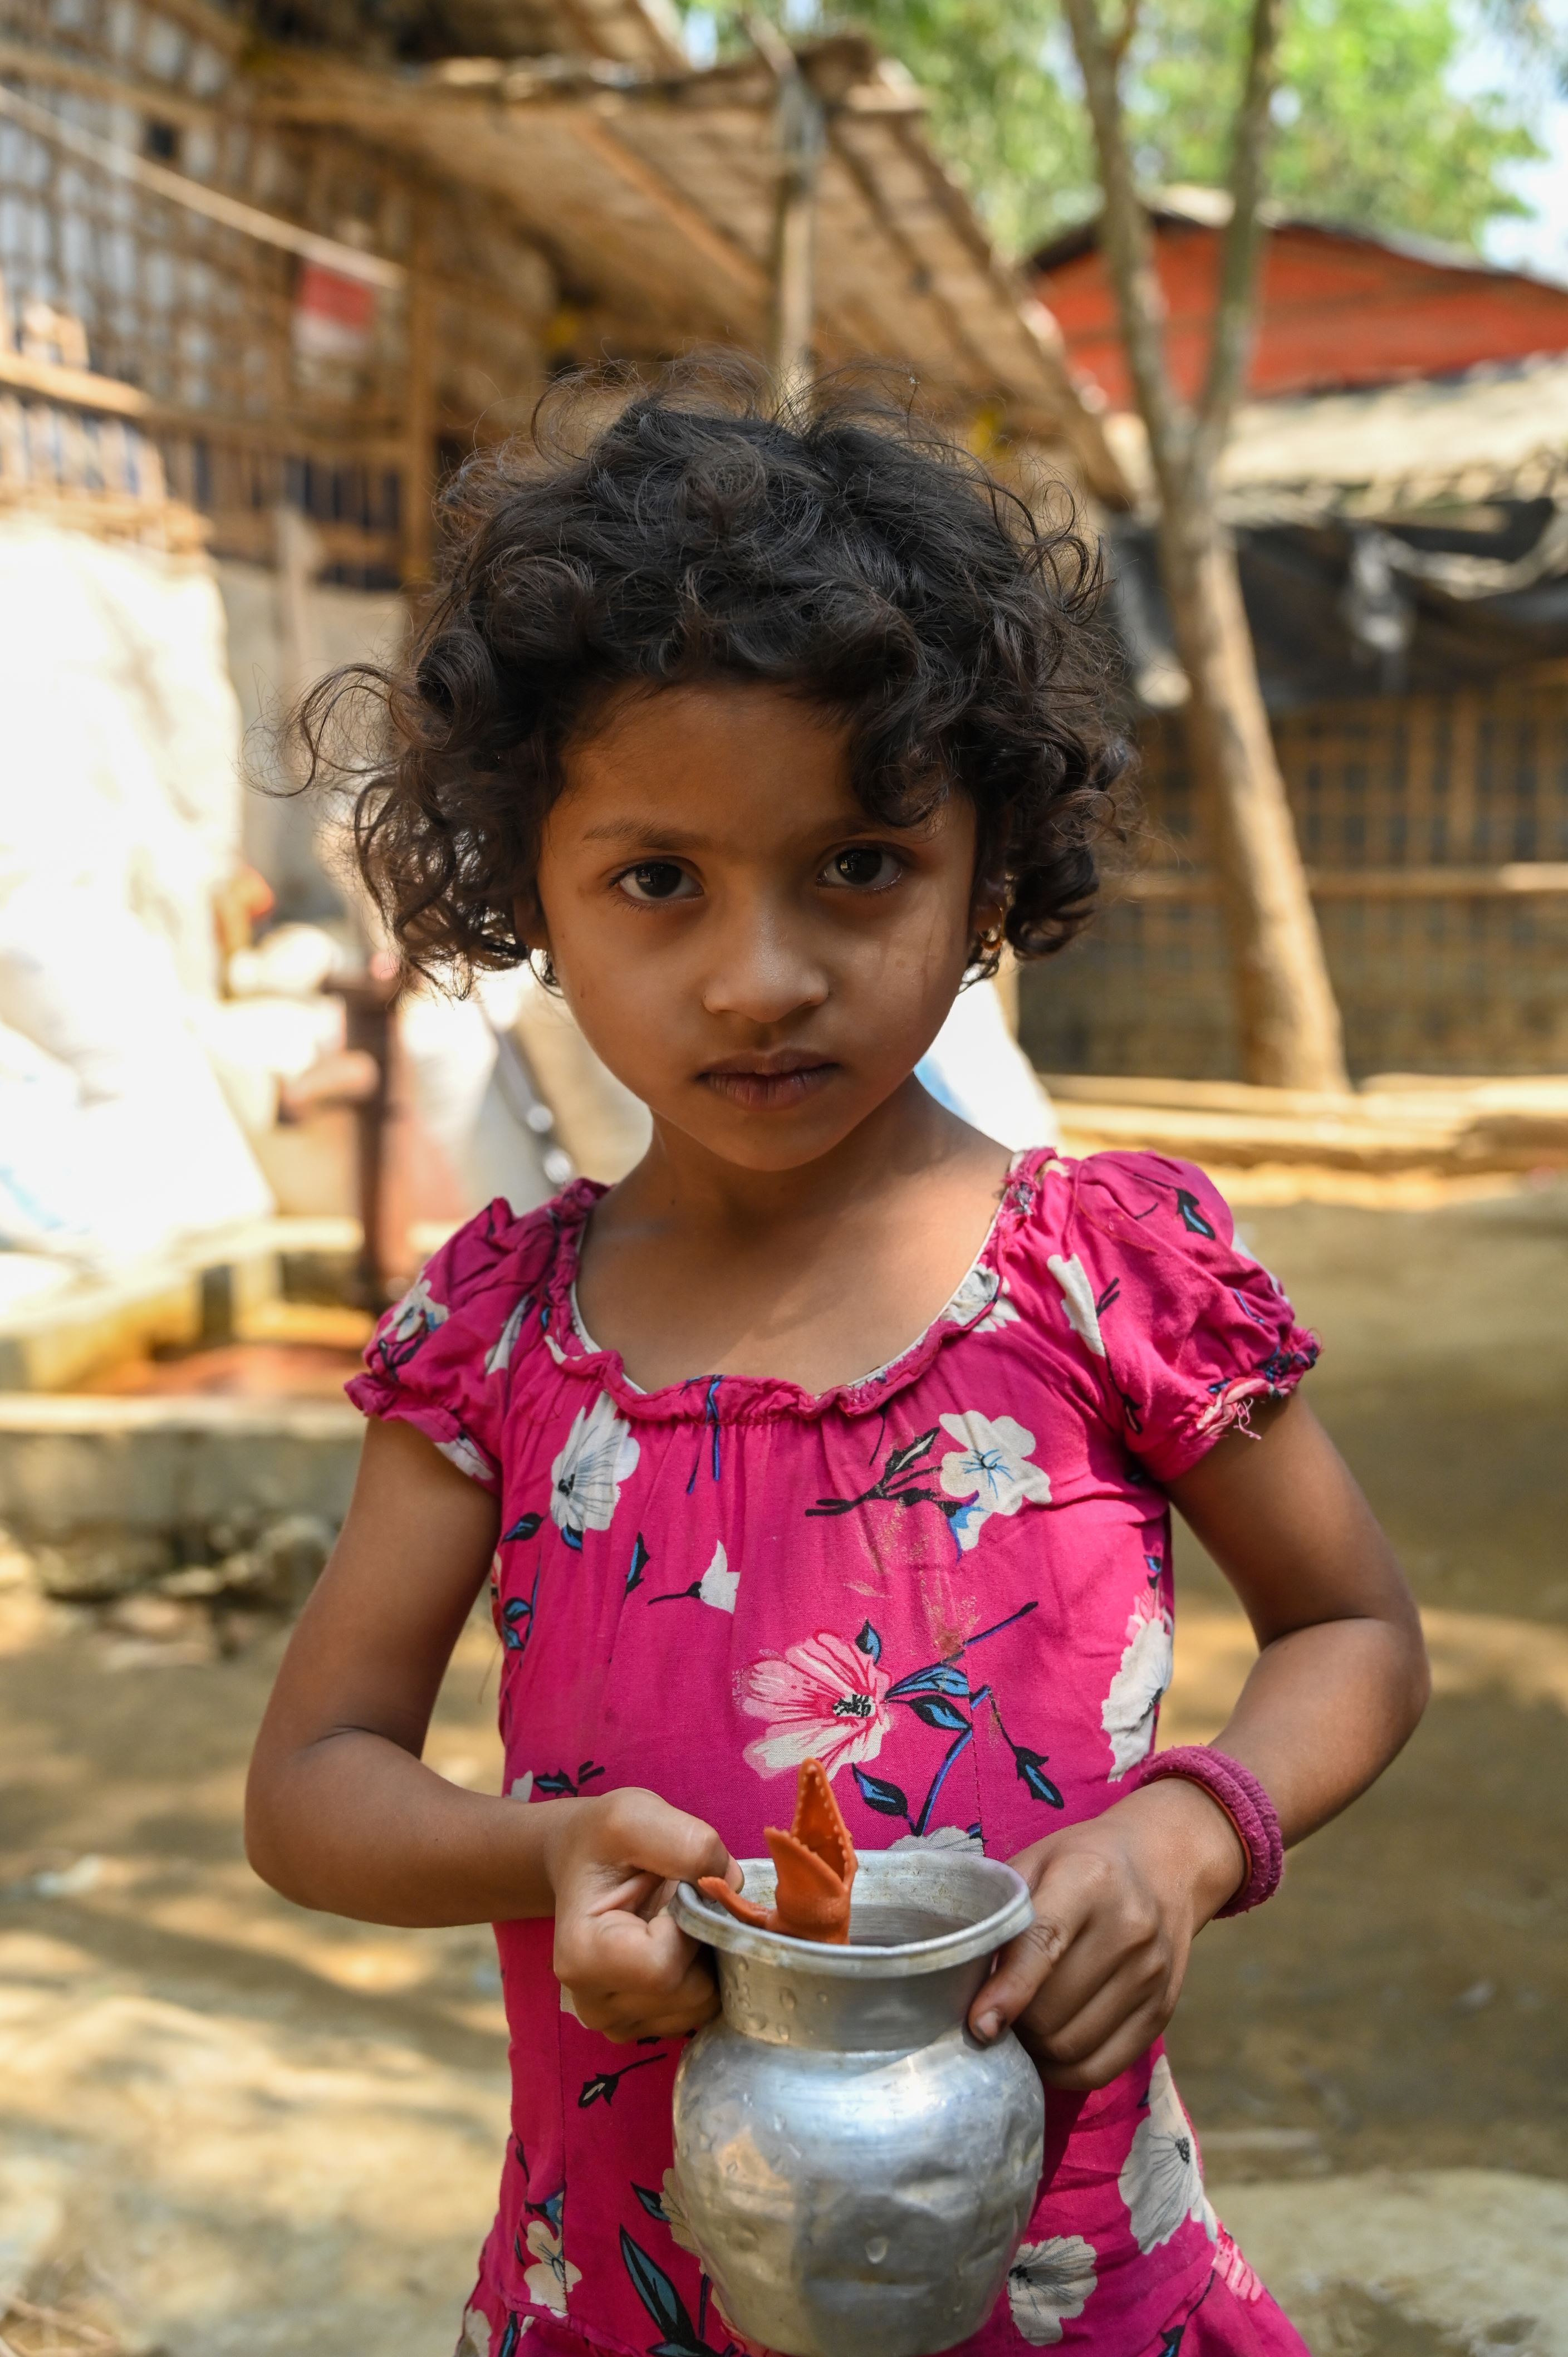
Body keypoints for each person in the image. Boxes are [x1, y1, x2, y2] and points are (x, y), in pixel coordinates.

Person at [245, 373, 1429, 2357]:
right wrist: (538, 1855)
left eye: (858, 866)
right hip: (625, 2285)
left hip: (1061, 2282)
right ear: (523, 886)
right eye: (657, 881)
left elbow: (1358, 1633)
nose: (761, 973)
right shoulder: (496, 1339)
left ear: (990, 861)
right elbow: (311, 1785)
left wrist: (1190, 1823)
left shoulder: (1104, 1272)